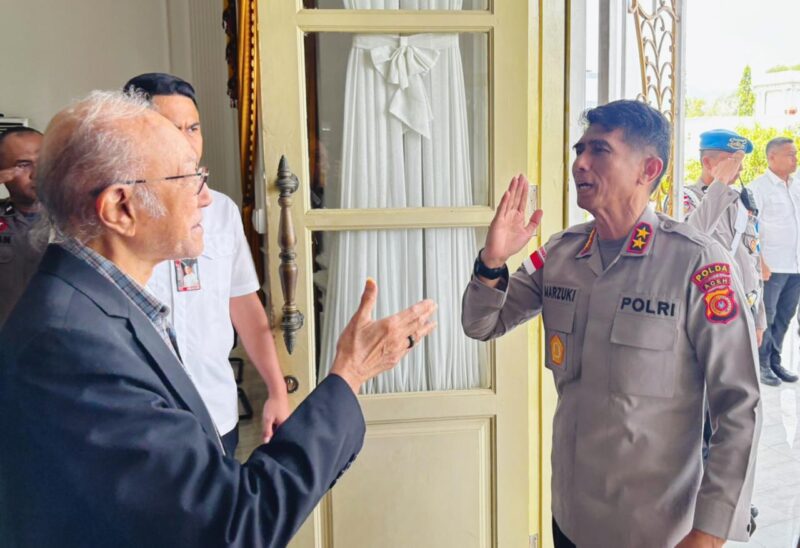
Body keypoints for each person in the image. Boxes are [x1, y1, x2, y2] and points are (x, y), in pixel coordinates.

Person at [0, 90, 437, 547]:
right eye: (188, 178)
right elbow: (235, 525)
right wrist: (351, 373)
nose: (206, 198)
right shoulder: (70, 345)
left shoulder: (98, 305)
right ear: (120, 208)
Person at [462, 100, 761, 547]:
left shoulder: (696, 263)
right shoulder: (561, 254)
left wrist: (710, 532)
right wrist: (492, 261)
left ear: (648, 169)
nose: (579, 163)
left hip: (654, 529)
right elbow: (481, 324)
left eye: (599, 150)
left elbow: (739, 404)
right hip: (571, 518)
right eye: (579, 150)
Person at [123, 73, 288, 454]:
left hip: (215, 411)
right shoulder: (117, 213)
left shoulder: (220, 211)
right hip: (138, 422)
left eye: (193, 128)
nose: (186, 140)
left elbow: (243, 303)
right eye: (171, 128)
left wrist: (277, 389)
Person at [748, 137, 800, 385]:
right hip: (772, 266)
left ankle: (775, 361)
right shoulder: (758, 188)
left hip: (795, 265)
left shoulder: (797, 185)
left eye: (795, 154)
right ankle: (762, 364)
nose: (795, 159)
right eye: (790, 154)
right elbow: (750, 228)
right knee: (766, 317)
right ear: (772, 157)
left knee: (785, 316)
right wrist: (760, 261)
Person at [0, 127, 44, 327]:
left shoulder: (74, 219)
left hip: (55, 340)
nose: (36, 174)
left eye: (44, 162)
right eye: (23, 165)